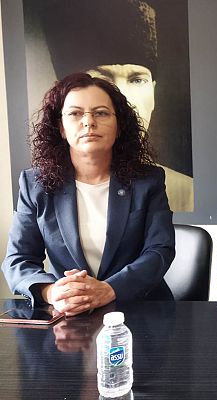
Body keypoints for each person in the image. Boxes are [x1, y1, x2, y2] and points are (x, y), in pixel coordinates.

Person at [2, 73, 175, 316]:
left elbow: (160, 250)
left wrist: (110, 289)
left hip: (141, 312)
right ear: (61, 128)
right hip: (70, 314)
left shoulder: (148, 180)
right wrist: (52, 292)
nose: (89, 122)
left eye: (101, 113)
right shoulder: (35, 185)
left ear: (119, 126)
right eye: (75, 113)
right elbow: (18, 259)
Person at [32, 0, 194, 212]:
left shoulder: (180, 189)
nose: (123, 99)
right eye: (104, 80)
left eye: (137, 80)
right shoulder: (34, 187)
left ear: (153, 91)